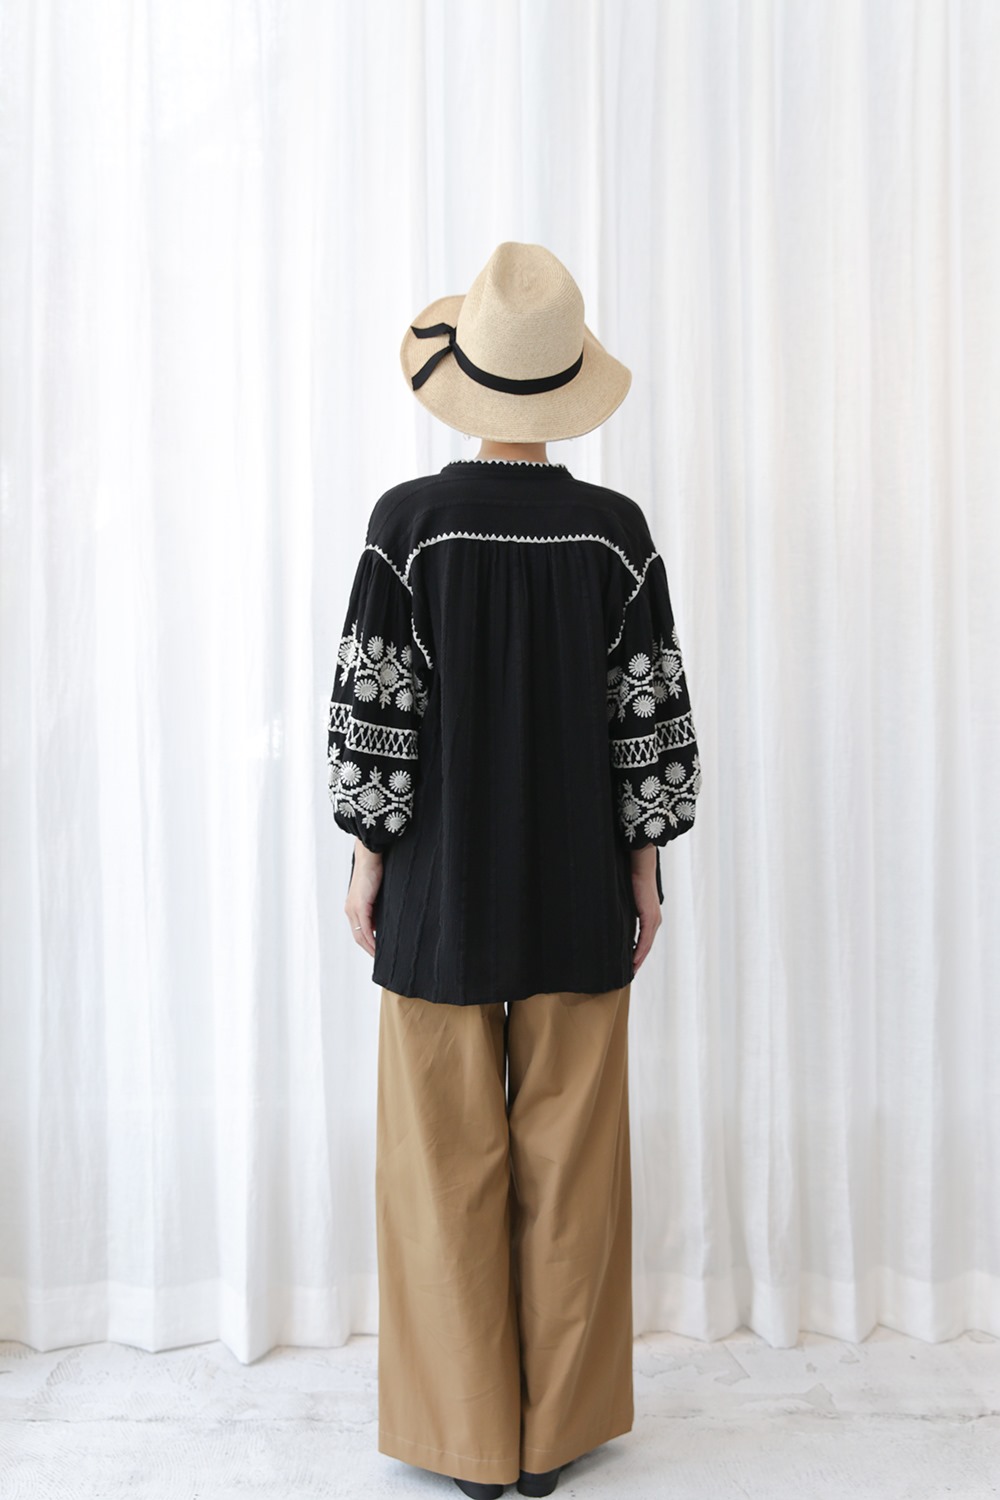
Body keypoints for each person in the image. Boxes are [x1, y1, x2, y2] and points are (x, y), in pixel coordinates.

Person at [327, 242, 701, 1498]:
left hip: (438, 892)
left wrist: (369, 863)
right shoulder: (615, 536)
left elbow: (375, 717)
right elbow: (648, 720)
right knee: (573, 1167)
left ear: (467, 380)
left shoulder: (407, 528)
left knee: (440, 1170)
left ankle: (468, 1445)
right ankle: (554, 1440)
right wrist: (643, 871)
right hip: (578, 887)